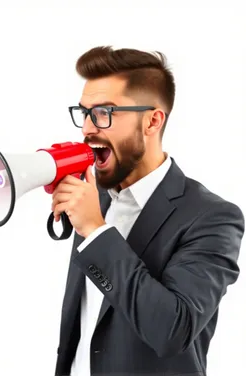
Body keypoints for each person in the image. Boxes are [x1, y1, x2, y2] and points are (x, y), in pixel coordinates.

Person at [51, 46, 245, 376]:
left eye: (104, 113)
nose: (86, 129)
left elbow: (173, 330)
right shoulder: (95, 199)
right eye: (83, 112)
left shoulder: (214, 218)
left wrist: (97, 232)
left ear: (152, 121)